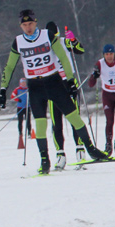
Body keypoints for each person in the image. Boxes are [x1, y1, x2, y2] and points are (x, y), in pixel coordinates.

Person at [0, 9, 108, 174]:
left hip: (54, 82)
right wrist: (2, 90)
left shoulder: (47, 35)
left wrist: (70, 80)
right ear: (21, 26)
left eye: (30, 24)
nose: (28, 28)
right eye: (24, 25)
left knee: (74, 117)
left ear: (36, 22)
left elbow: (63, 57)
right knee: (41, 124)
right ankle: (45, 160)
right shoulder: (18, 42)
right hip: (35, 87)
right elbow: (9, 66)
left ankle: (91, 149)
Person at [49, 29, 86, 168]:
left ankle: (80, 151)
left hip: (68, 83)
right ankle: (60, 156)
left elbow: (80, 50)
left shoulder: (64, 41)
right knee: (56, 122)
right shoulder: (44, 46)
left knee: (74, 118)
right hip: (52, 85)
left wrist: (73, 40)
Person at [10, 78, 30, 147]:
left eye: (25, 82)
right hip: (20, 108)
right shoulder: (17, 89)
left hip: (27, 107)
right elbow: (12, 96)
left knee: (28, 121)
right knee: (20, 121)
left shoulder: (28, 89)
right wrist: (18, 99)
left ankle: (29, 133)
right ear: (20, 83)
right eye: (22, 82)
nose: (24, 83)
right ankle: (20, 133)